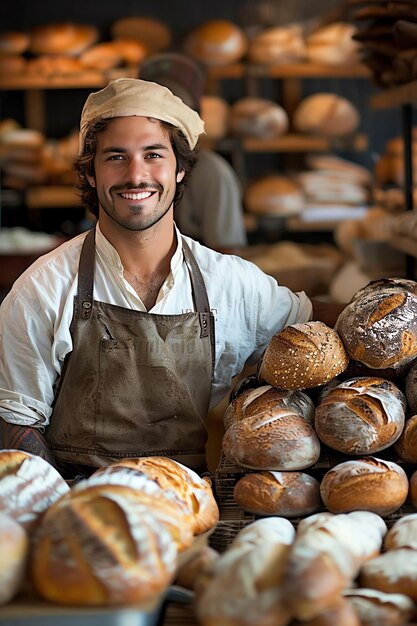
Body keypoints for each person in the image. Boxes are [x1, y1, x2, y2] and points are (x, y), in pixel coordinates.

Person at [0, 77, 343, 478]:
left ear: (179, 169)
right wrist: (60, 506)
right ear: (91, 173)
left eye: (153, 155)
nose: (136, 175)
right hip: (83, 504)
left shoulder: (229, 282)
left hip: (192, 505)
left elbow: (315, 327)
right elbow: (14, 419)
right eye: (115, 157)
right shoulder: (44, 287)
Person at [139, 52, 247, 253]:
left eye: (173, 109)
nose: (160, 118)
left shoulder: (211, 173)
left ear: (193, 118)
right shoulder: (122, 166)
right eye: (151, 107)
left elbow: (227, 257)